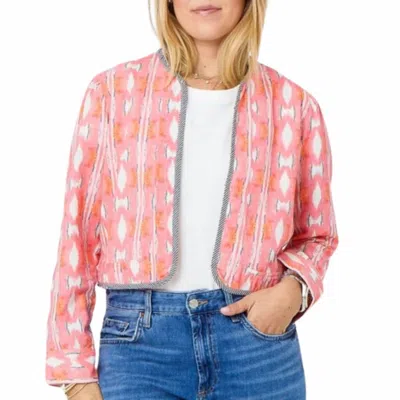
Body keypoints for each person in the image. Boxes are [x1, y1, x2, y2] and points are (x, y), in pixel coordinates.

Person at [45, 0, 339, 399]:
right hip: (139, 349)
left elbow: (318, 234)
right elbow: (77, 237)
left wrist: (294, 291)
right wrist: (75, 374)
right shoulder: (112, 94)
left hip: (257, 350)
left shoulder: (294, 106)